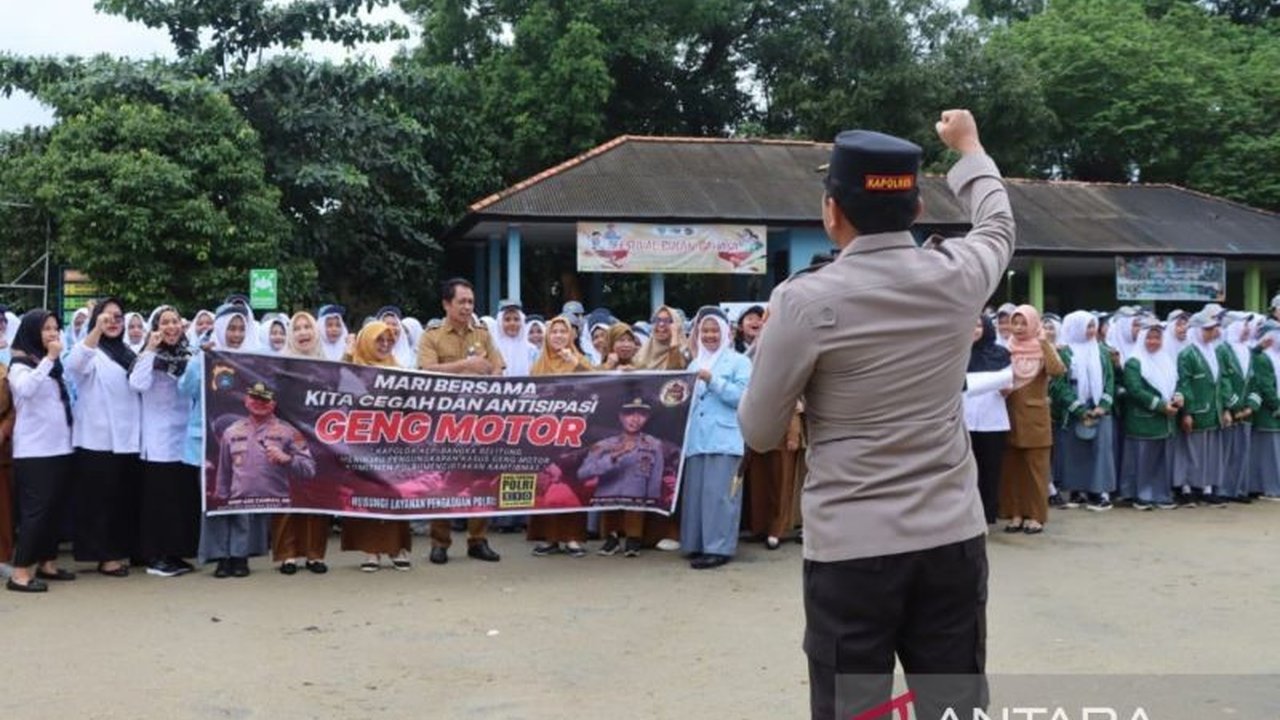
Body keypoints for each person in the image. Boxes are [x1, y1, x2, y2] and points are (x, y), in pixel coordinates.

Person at [738, 111, 1008, 720]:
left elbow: (757, 431)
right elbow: (997, 223)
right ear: (916, 212)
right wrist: (969, 148)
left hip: (852, 549)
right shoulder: (961, 275)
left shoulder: (803, 302)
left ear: (832, 211)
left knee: (852, 709)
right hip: (951, 538)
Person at [416, 278, 503, 564]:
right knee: (442, 481)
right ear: (446, 304)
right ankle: (440, 542)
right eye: (461, 302)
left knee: (481, 479)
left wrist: (491, 373)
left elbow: (498, 367)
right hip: (444, 423)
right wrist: (466, 366)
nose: (467, 307)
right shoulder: (432, 336)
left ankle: (478, 540)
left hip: (479, 421)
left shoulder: (483, 334)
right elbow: (425, 371)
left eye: (470, 302)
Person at [66, 297, 142, 577]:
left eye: (117, 317)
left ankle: (120, 550)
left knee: (122, 498)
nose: (113, 322)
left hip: (128, 438)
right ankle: (103, 555)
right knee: (99, 501)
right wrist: (95, 331)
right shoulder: (90, 351)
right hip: (97, 439)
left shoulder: (127, 352)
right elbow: (74, 366)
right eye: (106, 317)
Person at [5, 311, 77, 592]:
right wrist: (48, 359)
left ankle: (47, 562)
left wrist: (51, 360)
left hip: (61, 446)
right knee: (36, 512)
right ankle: (20, 572)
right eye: (46, 328)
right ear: (32, 331)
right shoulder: (20, 364)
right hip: (35, 451)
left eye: (56, 328)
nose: (52, 333)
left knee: (55, 510)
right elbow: (26, 390)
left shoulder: (54, 365)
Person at [197, 303, 271, 578]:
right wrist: (202, 360)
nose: (237, 334)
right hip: (213, 440)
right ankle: (220, 556)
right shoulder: (206, 357)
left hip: (249, 439)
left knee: (244, 497)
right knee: (218, 496)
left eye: (241, 328)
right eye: (231, 328)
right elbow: (188, 388)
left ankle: (240, 555)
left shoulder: (257, 361)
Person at [129, 305, 200, 577]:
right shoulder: (148, 355)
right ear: (156, 327)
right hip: (157, 439)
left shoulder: (190, 355)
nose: (171, 327)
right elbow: (137, 383)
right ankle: (155, 556)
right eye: (164, 322)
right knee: (158, 501)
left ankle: (174, 553)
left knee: (179, 500)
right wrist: (149, 349)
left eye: (175, 322)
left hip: (183, 438)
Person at [679, 307, 751, 569]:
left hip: (724, 437)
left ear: (725, 332)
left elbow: (743, 398)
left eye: (714, 330)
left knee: (720, 495)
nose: (709, 335)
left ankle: (719, 548)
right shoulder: (694, 363)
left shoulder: (739, 361)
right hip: (696, 439)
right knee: (697, 494)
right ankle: (696, 543)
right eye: (704, 330)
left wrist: (713, 380)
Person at [340, 321, 415, 571]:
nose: (384, 345)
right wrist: (349, 355)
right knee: (367, 495)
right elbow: (339, 392)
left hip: (393, 443)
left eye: (388, 341)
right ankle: (371, 552)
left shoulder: (399, 369)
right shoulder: (353, 368)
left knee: (394, 493)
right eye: (378, 340)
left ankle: (397, 549)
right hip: (362, 444)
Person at [272, 312, 334, 574]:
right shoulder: (279, 367)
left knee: (317, 497)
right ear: (291, 335)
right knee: (287, 497)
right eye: (296, 328)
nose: (303, 332)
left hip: (320, 441)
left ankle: (315, 554)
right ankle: (288, 555)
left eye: (307, 326)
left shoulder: (329, 368)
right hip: (287, 440)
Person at [527, 316, 595, 557]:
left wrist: (575, 363)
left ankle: (573, 538)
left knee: (572, 481)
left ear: (571, 336)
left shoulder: (580, 359)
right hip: (546, 433)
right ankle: (550, 538)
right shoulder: (539, 364)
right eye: (553, 331)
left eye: (562, 332)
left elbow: (597, 383)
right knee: (547, 482)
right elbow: (531, 395)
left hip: (575, 433)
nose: (557, 336)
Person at [1001, 305, 1066, 534]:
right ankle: (1016, 514)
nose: (1018, 328)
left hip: (1035, 419)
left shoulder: (1042, 347)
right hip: (1009, 417)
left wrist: (1045, 343)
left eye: (1023, 323)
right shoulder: (1007, 348)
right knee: (1013, 470)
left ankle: (1036, 516)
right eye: (1014, 323)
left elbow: (1058, 370)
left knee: (1036, 471)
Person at [1054, 310, 1117, 511]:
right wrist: (1078, 409)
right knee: (1075, 451)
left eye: (1093, 326)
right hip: (1074, 409)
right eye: (1087, 327)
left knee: (1100, 450)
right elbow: (1059, 385)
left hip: (1098, 408)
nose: (1091, 331)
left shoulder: (1101, 351)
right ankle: (1076, 491)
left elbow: (1109, 381)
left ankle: (1099, 492)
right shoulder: (1064, 352)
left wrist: (1103, 405)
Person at [1120, 319, 1181, 509]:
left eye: (1157, 338)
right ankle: (1140, 495)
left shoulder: (1166, 359)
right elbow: (1135, 390)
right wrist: (1161, 406)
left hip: (1165, 419)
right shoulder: (1134, 362)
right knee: (1143, 459)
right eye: (1149, 338)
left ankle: (1161, 495)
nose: (1153, 342)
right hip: (1143, 419)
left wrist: (1178, 396)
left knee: (1161, 459)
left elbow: (1175, 383)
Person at [1174, 312, 1229, 508]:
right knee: (1190, 451)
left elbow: (1221, 382)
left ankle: (1206, 488)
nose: (1212, 332)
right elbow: (1184, 384)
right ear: (1196, 330)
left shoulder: (1213, 351)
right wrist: (1187, 412)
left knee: (1210, 451)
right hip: (1197, 410)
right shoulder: (1187, 354)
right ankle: (1187, 488)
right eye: (1207, 329)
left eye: (1213, 329)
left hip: (1213, 410)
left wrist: (1225, 408)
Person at [964, 315, 1012, 525]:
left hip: (992, 420)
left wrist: (1006, 389)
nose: (975, 330)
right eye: (971, 325)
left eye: (979, 325)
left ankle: (987, 514)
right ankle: (966, 516)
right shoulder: (957, 353)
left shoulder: (1000, 353)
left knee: (990, 469)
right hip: (964, 419)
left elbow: (1008, 381)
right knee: (966, 469)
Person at [1217, 314, 1256, 502]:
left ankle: (1239, 489)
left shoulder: (1249, 350)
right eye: (1244, 325)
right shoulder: (1223, 350)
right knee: (1227, 451)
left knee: (1242, 451)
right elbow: (1222, 380)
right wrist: (1233, 406)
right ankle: (1224, 490)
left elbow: (1255, 382)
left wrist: (1251, 406)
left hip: (1246, 413)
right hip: (1230, 412)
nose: (1247, 330)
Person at [1247, 321, 1280, 500]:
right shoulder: (1262, 357)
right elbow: (1265, 386)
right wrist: (1277, 405)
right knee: (1269, 453)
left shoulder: (1275, 355)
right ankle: (1270, 488)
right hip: (1268, 413)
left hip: (1274, 411)